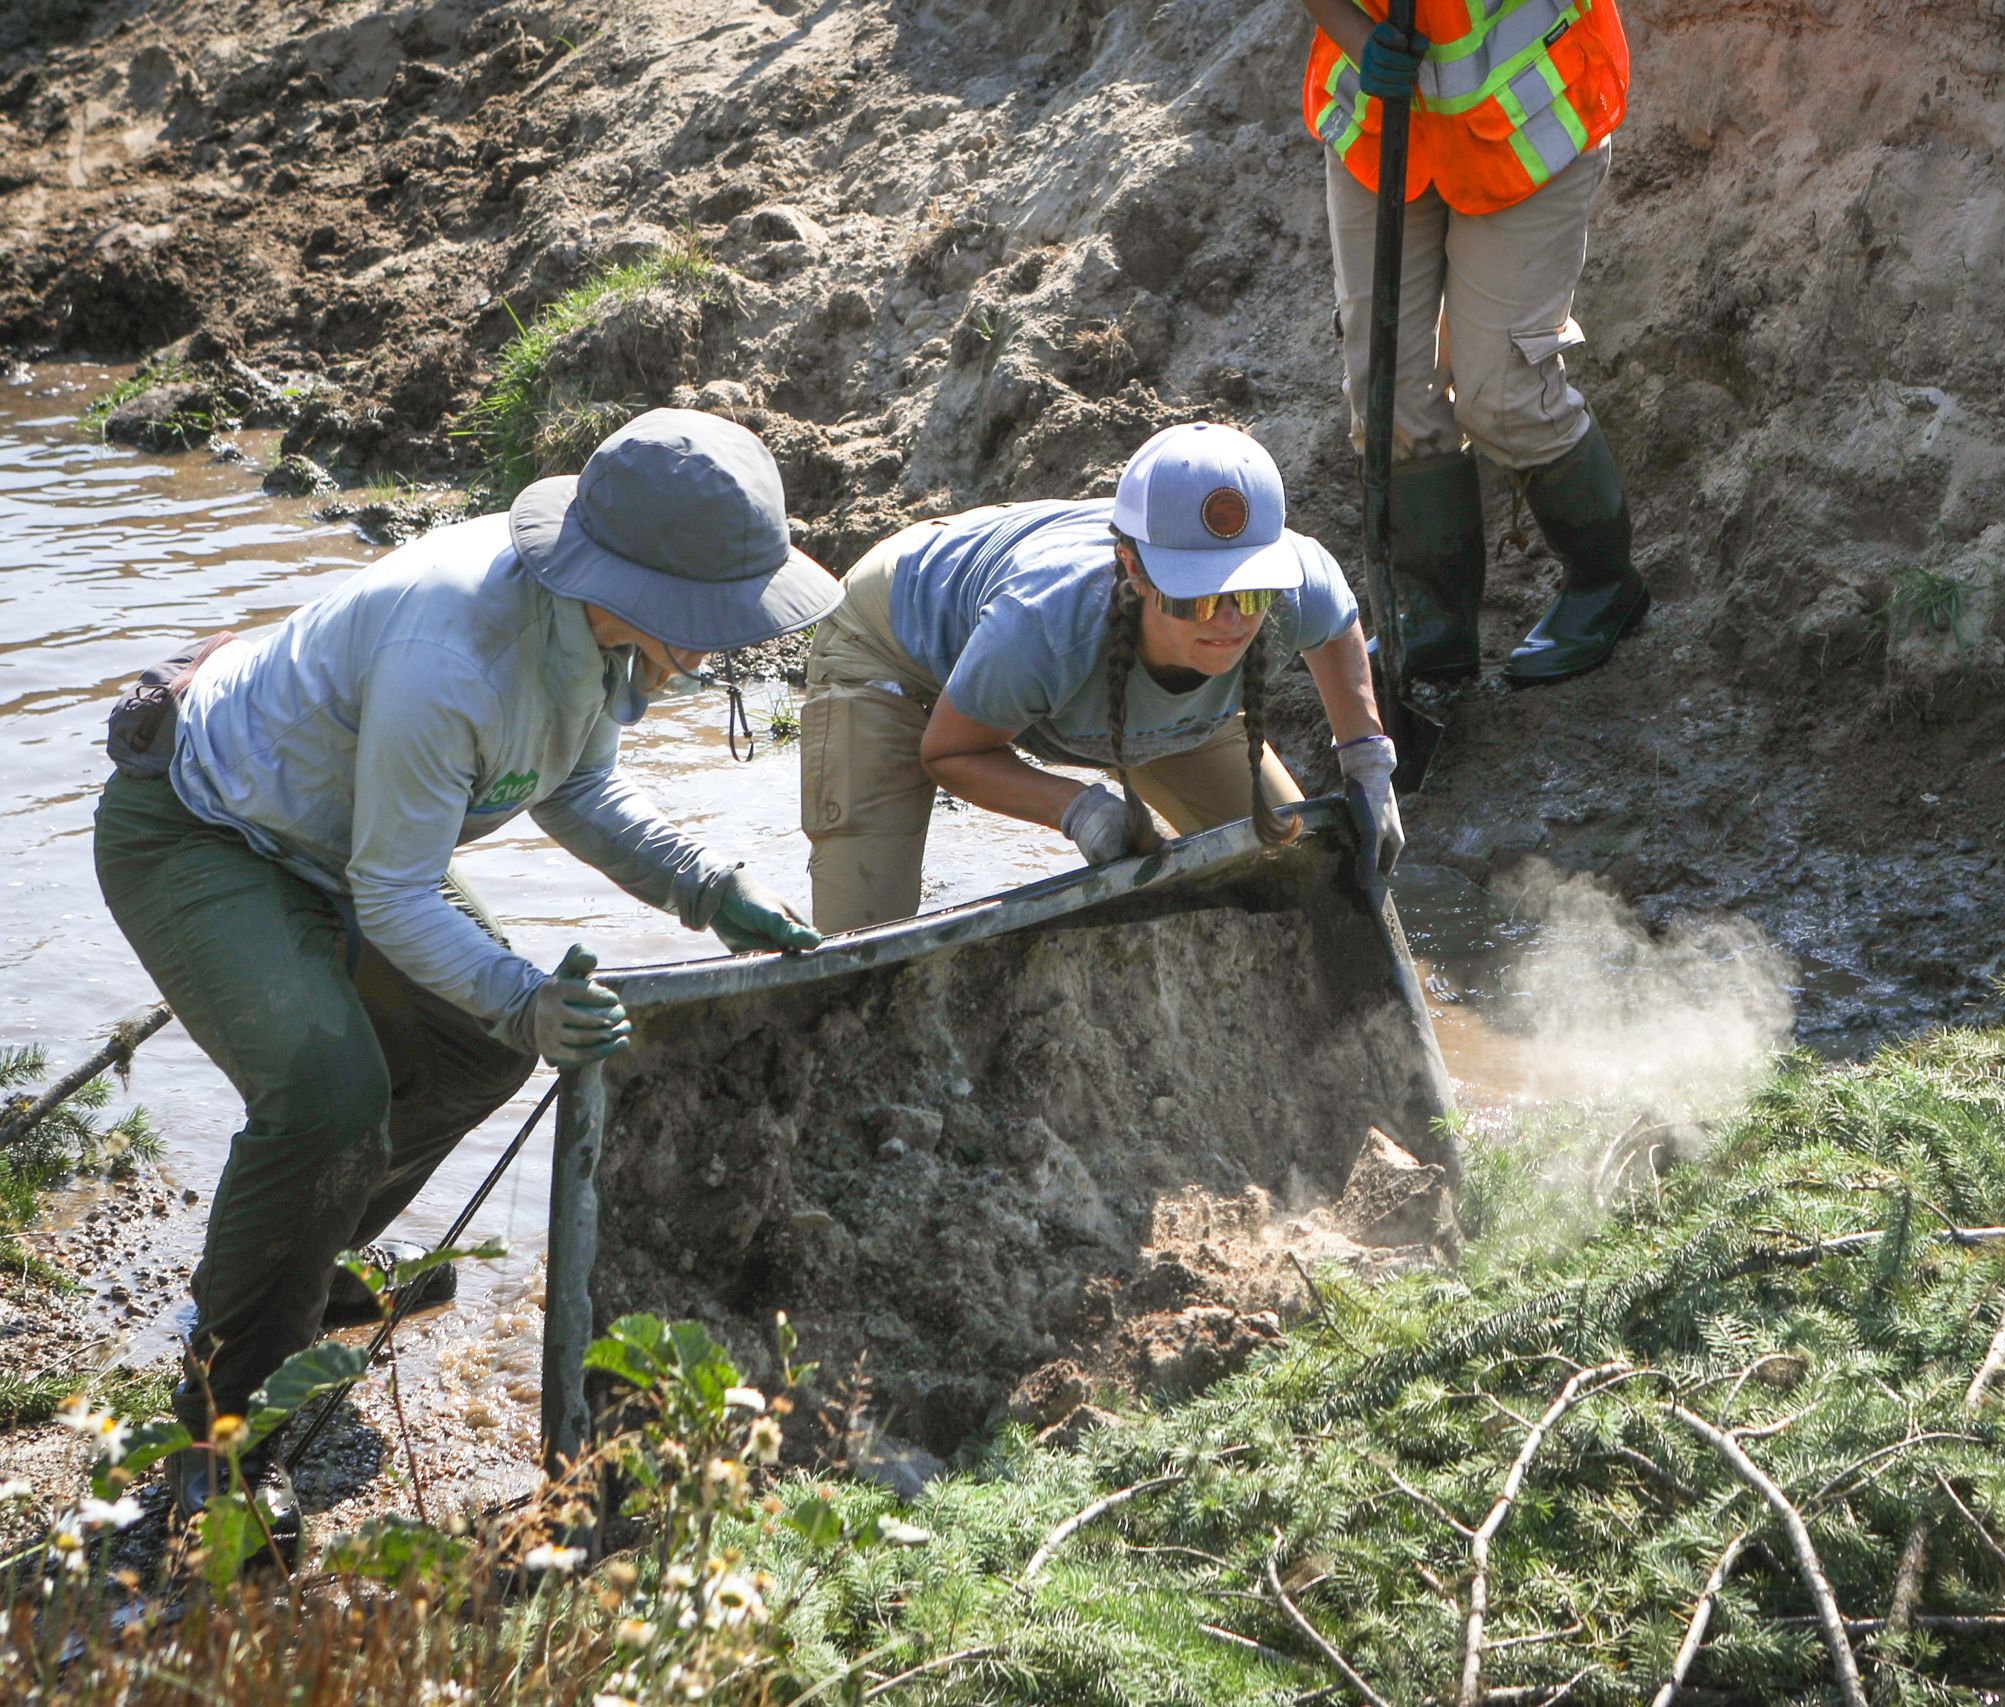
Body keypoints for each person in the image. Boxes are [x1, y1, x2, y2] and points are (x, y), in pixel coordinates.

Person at [92, 409, 834, 1551]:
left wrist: (705, 885)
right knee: (326, 1092)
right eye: (708, 620)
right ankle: (219, 1425)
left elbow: (576, 786)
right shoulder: (457, 654)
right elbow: (396, 898)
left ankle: (301, 1260)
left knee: (476, 1049)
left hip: (345, 842)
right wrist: (532, 997)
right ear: (626, 584)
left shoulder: (593, 635)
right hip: (201, 830)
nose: (722, 644)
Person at [798, 421, 1403, 932]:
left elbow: (1337, 625)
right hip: (894, 638)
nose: (1227, 621)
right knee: (867, 938)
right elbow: (950, 752)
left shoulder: (1295, 584)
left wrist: (1367, 763)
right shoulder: (1044, 624)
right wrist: (1077, 809)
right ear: (1132, 569)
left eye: (1248, 594)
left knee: (1299, 870)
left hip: (1046, 633)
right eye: (1196, 597)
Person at [1297, 0, 1642, 685]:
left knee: (1503, 397)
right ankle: (1432, 623)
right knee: (1386, 392)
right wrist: (1355, 34)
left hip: (1526, 123)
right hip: (1381, 116)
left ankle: (1607, 586)